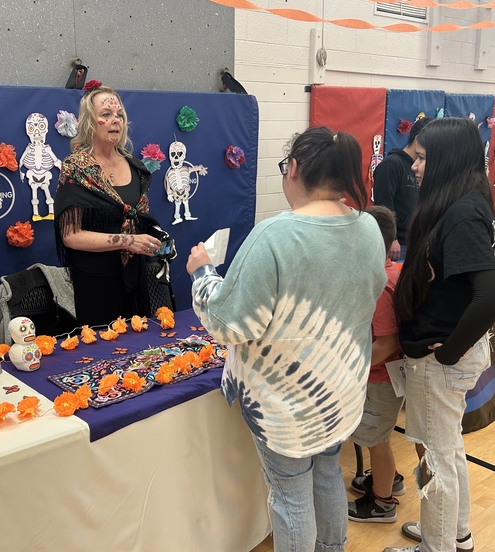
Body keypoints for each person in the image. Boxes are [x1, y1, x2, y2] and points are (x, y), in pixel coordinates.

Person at [186, 126, 387, 552]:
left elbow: (228, 324)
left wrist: (202, 272)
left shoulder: (275, 235)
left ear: (293, 169)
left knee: (291, 497)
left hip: (287, 405)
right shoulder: (369, 227)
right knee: (329, 472)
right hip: (341, 391)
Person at [384, 118, 495, 552]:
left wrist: (450, 352)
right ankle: (454, 533)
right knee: (448, 451)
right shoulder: (461, 205)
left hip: (439, 362)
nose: (413, 166)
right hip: (439, 357)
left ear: (445, 160)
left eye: (420, 157)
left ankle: (436, 546)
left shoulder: (463, 213)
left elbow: (491, 296)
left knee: (436, 458)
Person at [54, 85, 165, 327]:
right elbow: (71, 236)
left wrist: (156, 240)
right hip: (97, 282)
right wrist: (129, 241)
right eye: (105, 114)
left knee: (140, 349)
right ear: (89, 122)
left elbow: (139, 221)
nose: (115, 120)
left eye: (120, 116)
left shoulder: (136, 168)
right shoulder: (77, 168)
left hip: (135, 279)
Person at [347, 205, 406, 524]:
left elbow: (386, 342)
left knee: (376, 440)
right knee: (378, 436)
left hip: (379, 376)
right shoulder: (391, 271)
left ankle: (382, 501)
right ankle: (389, 478)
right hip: (384, 375)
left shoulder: (380, 283)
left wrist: (351, 366)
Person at [372, 117, 433, 261]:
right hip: (398, 243)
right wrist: (391, 238)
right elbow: (383, 204)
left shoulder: (424, 168)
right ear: (418, 140)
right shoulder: (392, 165)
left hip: (416, 240)